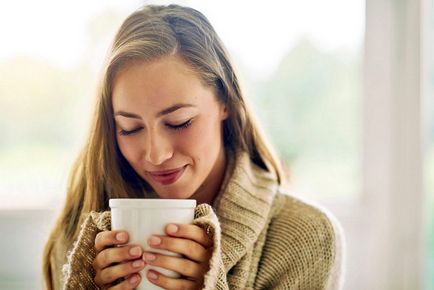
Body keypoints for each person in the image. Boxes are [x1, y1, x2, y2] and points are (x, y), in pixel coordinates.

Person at [42, 4, 345, 290]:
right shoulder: (83, 236)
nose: (156, 155)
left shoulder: (307, 237)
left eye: (179, 122)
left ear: (226, 101)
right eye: (130, 128)